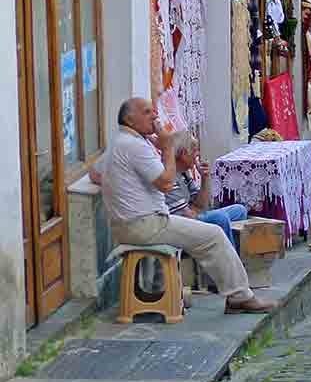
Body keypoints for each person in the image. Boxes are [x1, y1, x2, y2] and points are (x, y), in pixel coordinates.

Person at [94, 98, 274, 314]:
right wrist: (168, 147)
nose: (154, 116)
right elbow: (166, 182)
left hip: (133, 223)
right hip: (145, 224)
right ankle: (239, 297)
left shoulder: (120, 141)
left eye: (153, 111)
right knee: (214, 234)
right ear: (130, 119)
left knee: (214, 229)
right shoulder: (133, 146)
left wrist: (125, 186)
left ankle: (227, 293)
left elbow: (95, 173)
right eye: (147, 112)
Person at [164, 131, 248, 246]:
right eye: (194, 150)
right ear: (184, 154)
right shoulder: (169, 174)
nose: (197, 155)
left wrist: (205, 178)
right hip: (181, 225)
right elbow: (188, 216)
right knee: (220, 218)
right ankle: (230, 260)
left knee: (240, 210)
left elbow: (202, 205)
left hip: (193, 215)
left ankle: (225, 247)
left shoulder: (185, 173)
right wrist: (198, 209)